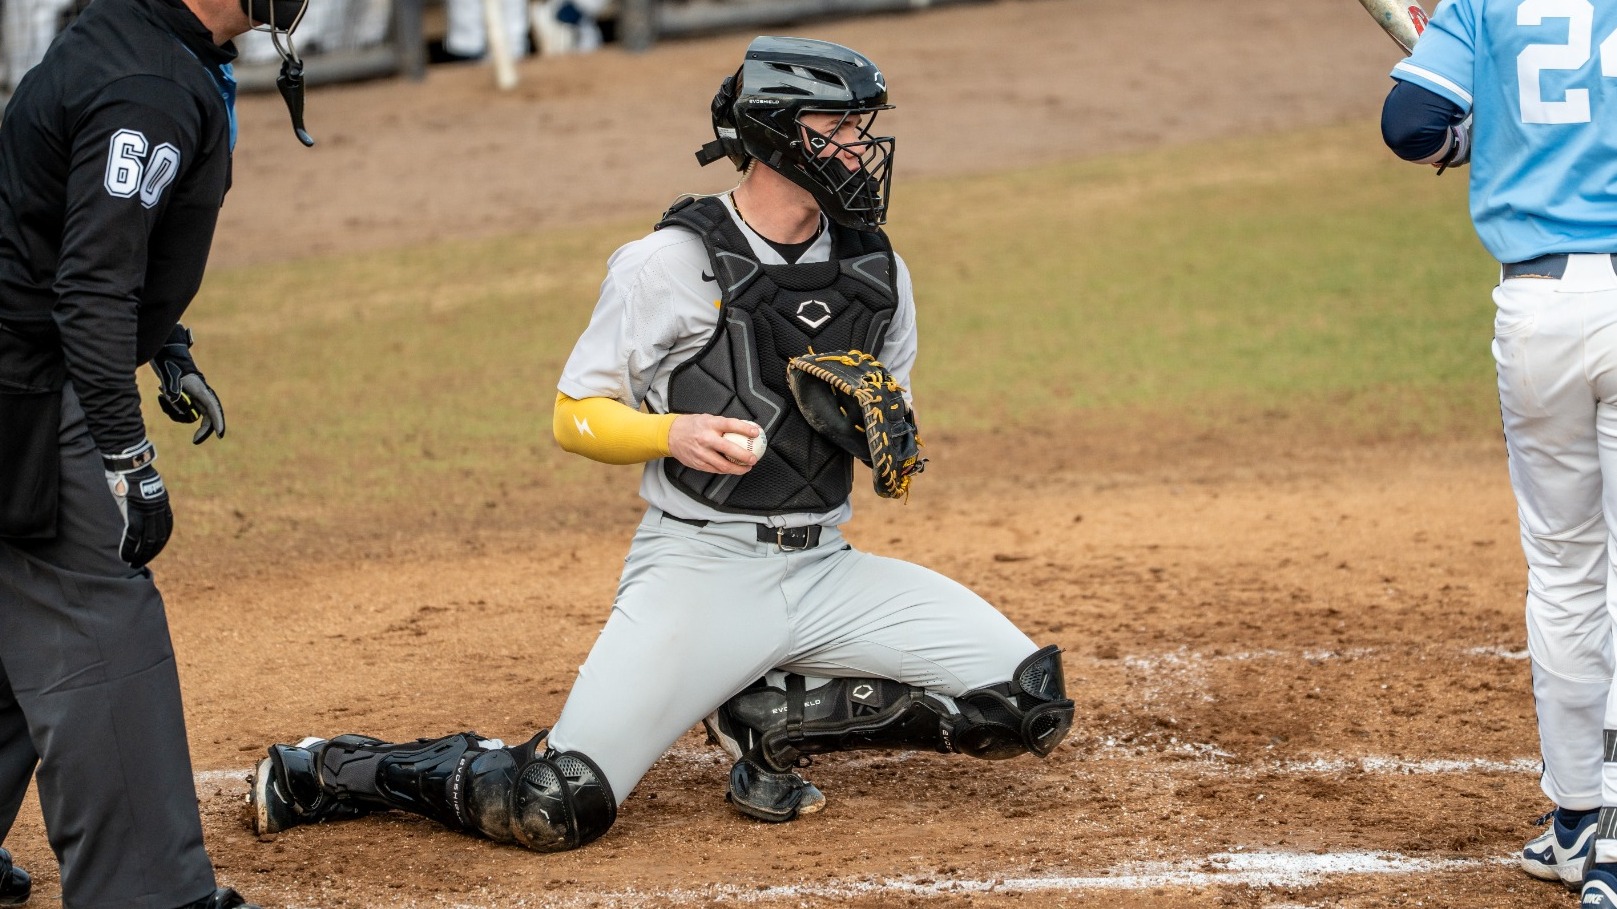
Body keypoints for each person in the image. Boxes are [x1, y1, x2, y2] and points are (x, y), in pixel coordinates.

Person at [247, 35, 1075, 853]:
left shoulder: (877, 273)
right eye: (841, 128)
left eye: (864, 127)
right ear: (779, 133)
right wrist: (668, 431)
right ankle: (332, 769)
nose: (862, 148)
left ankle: (769, 718)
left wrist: (882, 433)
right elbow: (574, 413)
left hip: (826, 566)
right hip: (699, 568)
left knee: (1025, 701)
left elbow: (892, 422)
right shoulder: (667, 264)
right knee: (554, 801)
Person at [0, 0, 315, 901]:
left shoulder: (137, 38)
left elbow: (68, 229)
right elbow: (90, 286)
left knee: (14, 626)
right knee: (100, 624)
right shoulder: (147, 84)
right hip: (28, 384)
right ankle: (149, 892)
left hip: (21, 364)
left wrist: (165, 343)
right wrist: (126, 455)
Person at [1381, 5, 1617, 907]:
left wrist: (1482, 133)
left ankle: (1573, 821)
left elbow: (1411, 127)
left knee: (1561, 568)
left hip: (1539, 316)